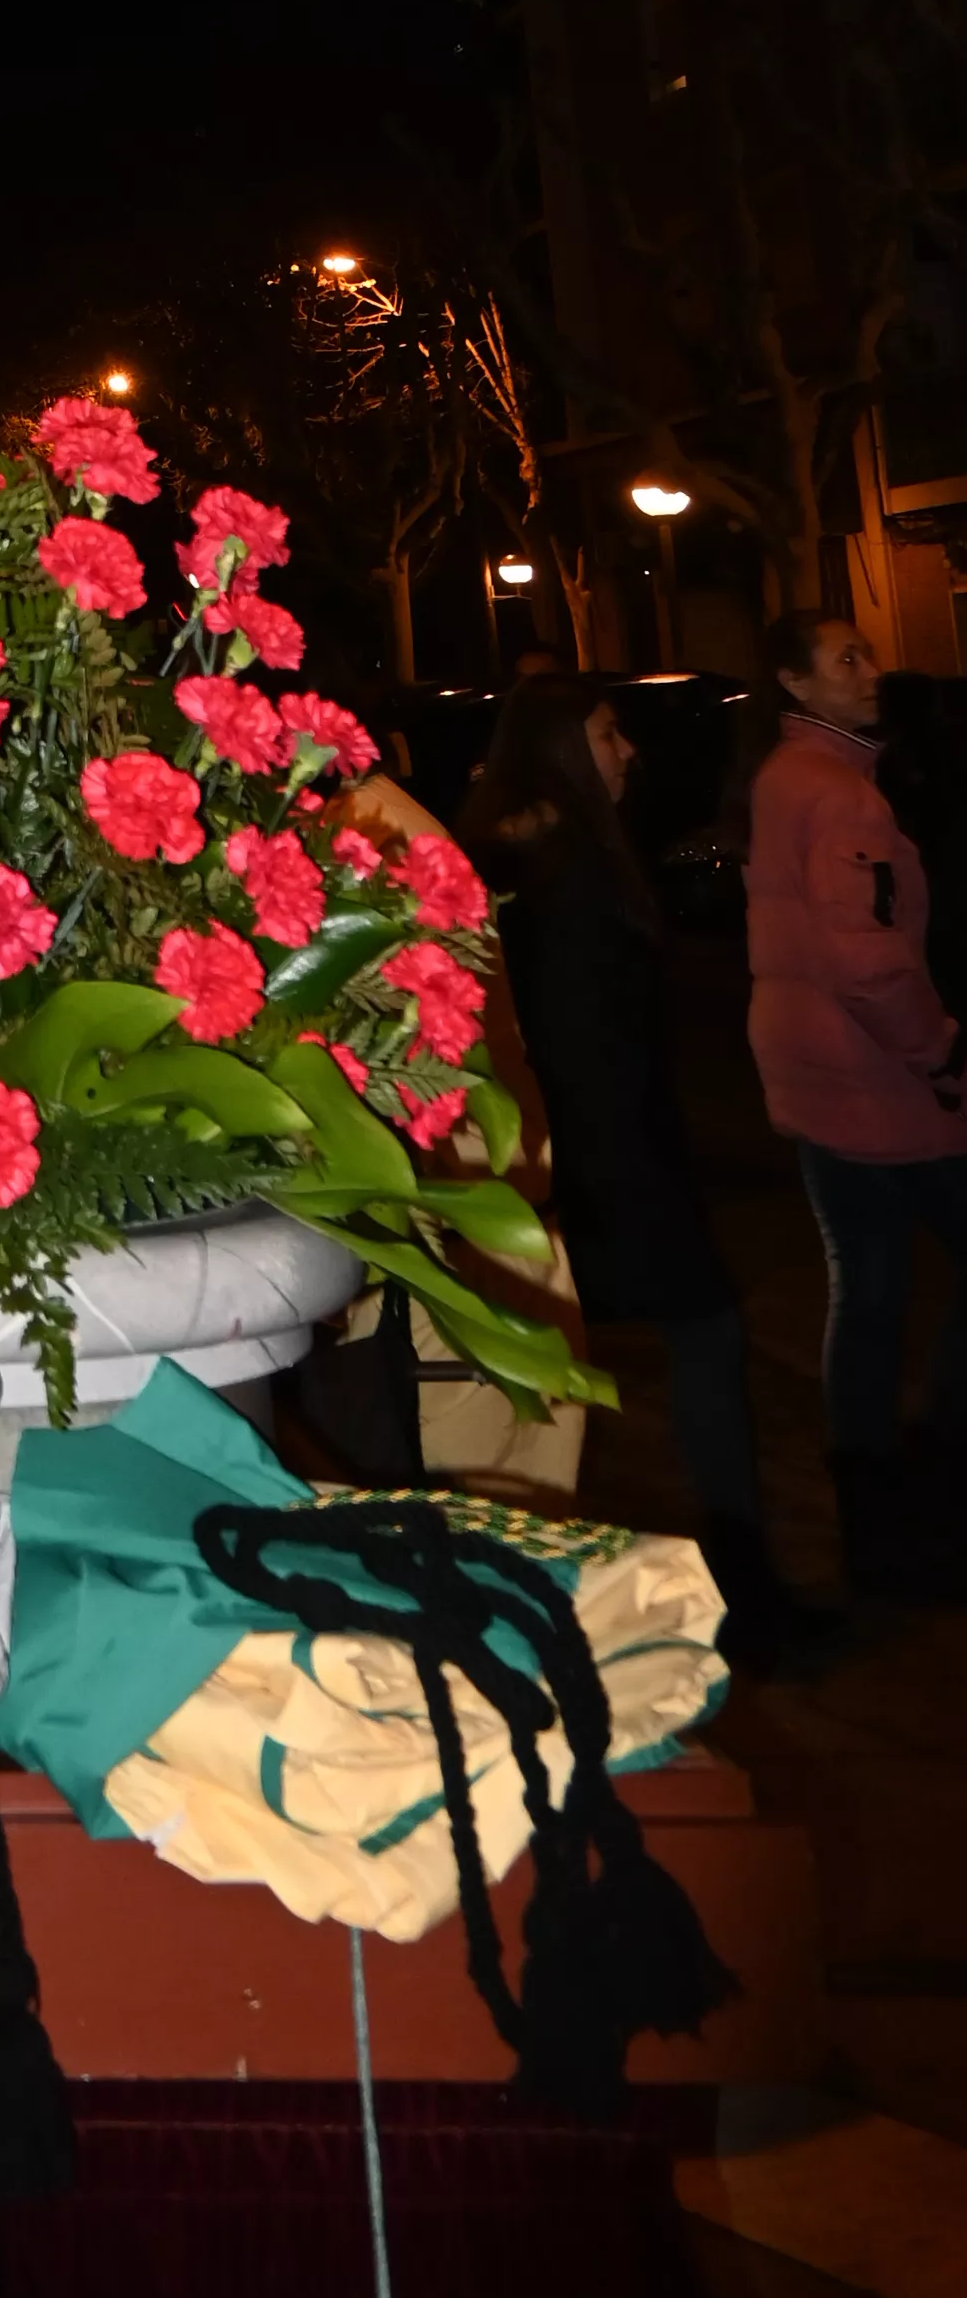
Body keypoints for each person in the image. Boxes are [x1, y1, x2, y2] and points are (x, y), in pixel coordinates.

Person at [466, 675, 800, 1666]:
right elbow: (583, 1048)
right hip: (605, 1169)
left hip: (581, 1167)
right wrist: (622, 1182)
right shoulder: (567, 874)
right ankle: (733, 1591)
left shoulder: (536, 855)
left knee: (607, 1378)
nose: (630, 751)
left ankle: (704, 1587)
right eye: (610, 733)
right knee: (699, 1341)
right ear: (566, 747)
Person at [738, 607, 967, 1595]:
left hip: (815, 1076)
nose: (869, 669)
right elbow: (868, 965)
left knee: (863, 1291)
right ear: (795, 684)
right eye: (845, 658)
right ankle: (924, 1473)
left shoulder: (785, 780)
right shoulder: (842, 796)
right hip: (879, 1084)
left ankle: (875, 1508)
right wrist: (942, 1052)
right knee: (876, 1291)